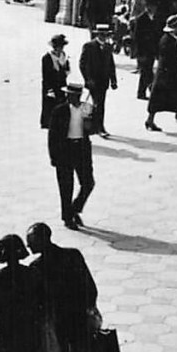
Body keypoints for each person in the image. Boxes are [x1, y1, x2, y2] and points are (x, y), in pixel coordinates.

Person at [27, 222, 97, 352]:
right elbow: (90, 288)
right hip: (76, 324)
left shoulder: (36, 268)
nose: (29, 246)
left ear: (41, 240)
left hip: (52, 328)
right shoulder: (73, 256)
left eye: (31, 241)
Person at [48, 83, 97, 229]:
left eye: (73, 95)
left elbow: (94, 129)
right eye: (68, 95)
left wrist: (91, 119)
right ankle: (67, 217)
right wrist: (53, 157)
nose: (70, 97)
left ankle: (74, 208)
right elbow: (52, 135)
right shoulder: (59, 111)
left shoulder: (86, 108)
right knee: (66, 186)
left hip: (81, 149)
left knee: (88, 183)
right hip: (65, 150)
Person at [146, 15, 177, 131]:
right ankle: (150, 120)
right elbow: (168, 56)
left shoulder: (173, 38)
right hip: (167, 72)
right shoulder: (167, 40)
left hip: (170, 71)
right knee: (159, 98)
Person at [80, 25, 119, 137]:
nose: (104, 37)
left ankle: (98, 126)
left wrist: (114, 80)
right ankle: (98, 127)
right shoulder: (89, 46)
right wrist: (87, 79)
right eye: (102, 35)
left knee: (100, 104)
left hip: (104, 81)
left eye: (106, 35)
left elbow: (111, 64)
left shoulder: (107, 47)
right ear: (97, 34)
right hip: (93, 81)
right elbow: (82, 64)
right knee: (98, 104)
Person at [131, 0, 159, 102]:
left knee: (147, 71)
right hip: (143, 49)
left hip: (151, 49)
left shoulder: (155, 18)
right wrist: (138, 52)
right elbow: (137, 37)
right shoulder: (141, 19)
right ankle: (148, 91)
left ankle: (145, 91)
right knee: (146, 71)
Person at [40, 34, 71, 129]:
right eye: (58, 47)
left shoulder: (63, 56)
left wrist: (65, 70)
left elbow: (67, 69)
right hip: (51, 84)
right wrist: (49, 89)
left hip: (61, 84)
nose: (61, 49)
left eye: (62, 47)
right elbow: (46, 75)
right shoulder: (47, 57)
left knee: (61, 103)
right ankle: (49, 123)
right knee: (50, 105)